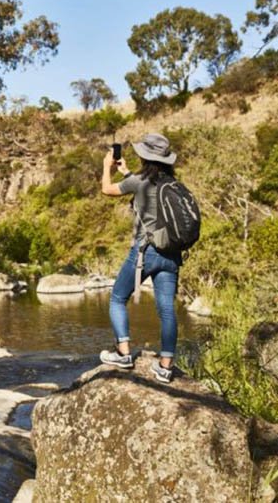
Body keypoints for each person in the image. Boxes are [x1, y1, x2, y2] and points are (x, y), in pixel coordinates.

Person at [98, 133, 181, 383]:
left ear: (145, 157)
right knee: (167, 310)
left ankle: (123, 354)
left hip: (146, 251)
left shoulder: (139, 181)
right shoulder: (172, 184)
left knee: (117, 298)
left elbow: (106, 190)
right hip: (172, 253)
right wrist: (126, 173)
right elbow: (146, 194)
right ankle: (165, 367)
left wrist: (106, 167)